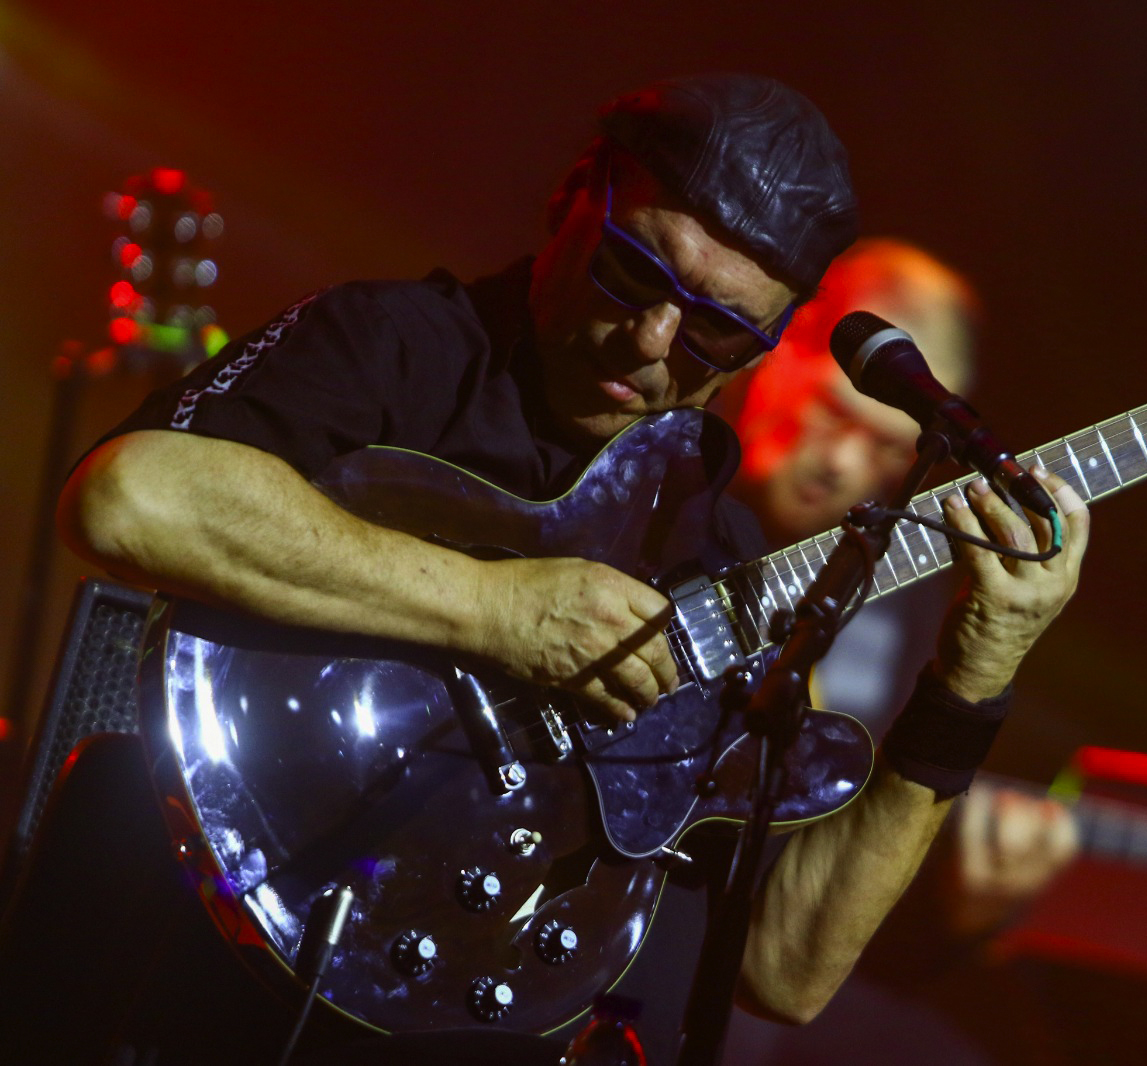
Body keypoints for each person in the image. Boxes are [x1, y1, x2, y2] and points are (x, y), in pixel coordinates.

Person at [52, 74, 1088, 1063]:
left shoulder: (716, 553)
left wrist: (968, 681)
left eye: (719, 333)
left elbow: (785, 971)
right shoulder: (399, 351)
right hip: (187, 968)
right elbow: (124, 499)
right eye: (633, 271)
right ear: (568, 204)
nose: (649, 340)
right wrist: (493, 608)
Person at [717, 239, 1079, 1064]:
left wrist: (957, 916)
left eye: (886, 447)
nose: (842, 464)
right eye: (833, 413)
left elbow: (833, 932)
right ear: (785, 344)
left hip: (763, 948)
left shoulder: (911, 582)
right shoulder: (664, 469)